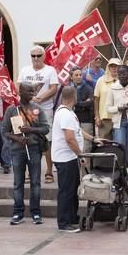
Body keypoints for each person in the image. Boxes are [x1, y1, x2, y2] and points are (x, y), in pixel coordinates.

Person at [52, 86, 101, 233]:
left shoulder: (69, 113)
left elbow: (78, 131)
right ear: (74, 97)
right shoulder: (65, 114)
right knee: (66, 191)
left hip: (70, 156)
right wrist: (80, 154)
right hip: (65, 158)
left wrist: (93, 139)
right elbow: (70, 138)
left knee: (72, 189)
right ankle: (64, 222)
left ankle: (72, 216)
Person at [2, 83, 49, 226]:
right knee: (18, 183)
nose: (32, 93)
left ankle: (36, 212)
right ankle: (18, 212)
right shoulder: (12, 110)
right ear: (20, 92)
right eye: (28, 91)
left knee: (35, 182)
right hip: (17, 151)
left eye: (32, 91)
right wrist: (17, 139)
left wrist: (31, 130)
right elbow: (5, 131)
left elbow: (46, 129)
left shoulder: (38, 109)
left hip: (34, 149)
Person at [18, 45, 58, 184]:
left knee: (46, 140)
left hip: (45, 109)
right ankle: (30, 172)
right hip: (27, 109)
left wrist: (40, 99)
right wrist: (29, 99)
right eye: (33, 56)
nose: (35, 58)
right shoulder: (24, 70)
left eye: (38, 55)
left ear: (44, 56)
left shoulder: (50, 70)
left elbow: (54, 88)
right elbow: (19, 87)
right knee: (28, 139)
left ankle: (49, 171)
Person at [94, 58, 121, 140]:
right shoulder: (101, 80)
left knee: (119, 144)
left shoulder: (124, 81)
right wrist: (97, 116)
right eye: (112, 66)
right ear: (108, 67)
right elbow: (96, 99)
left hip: (119, 118)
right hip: (105, 118)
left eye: (116, 66)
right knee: (104, 144)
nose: (114, 68)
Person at [70, 67, 94, 154]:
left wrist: (76, 103)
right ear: (71, 77)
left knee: (87, 144)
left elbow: (90, 103)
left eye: (80, 75)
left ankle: (85, 166)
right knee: (74, 141)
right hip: (73, 119)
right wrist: (83, 103)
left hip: (86, 119)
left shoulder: (88, 88)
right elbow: (68, 103)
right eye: (76, 75)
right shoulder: (69, 89)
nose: (79, 77)